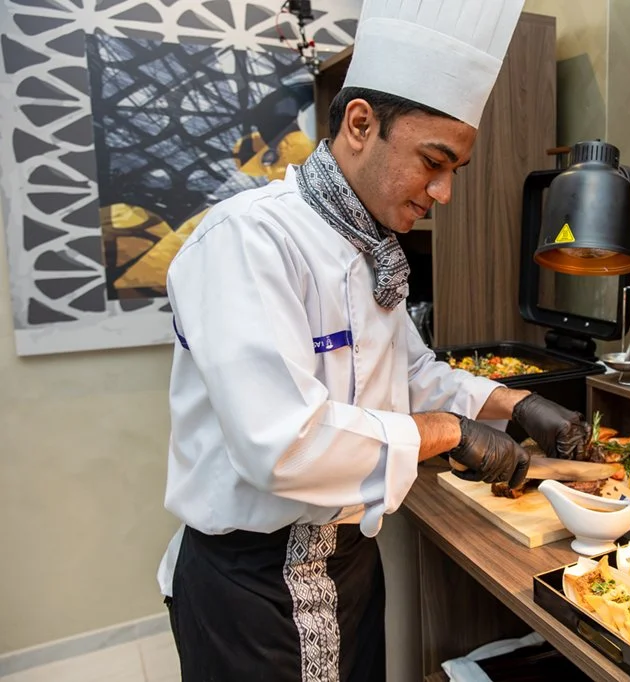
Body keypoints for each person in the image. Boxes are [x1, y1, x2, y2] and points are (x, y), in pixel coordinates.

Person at [156, 1, 592, 680]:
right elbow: (282, 442)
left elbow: (413, 373)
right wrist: (449, 433)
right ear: (360, 122)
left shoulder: (370, 247)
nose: (443, 192)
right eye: (433, 161)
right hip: (253, 588)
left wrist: (512, 406)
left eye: (457, 171)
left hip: (351, 564)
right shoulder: (247, 239)